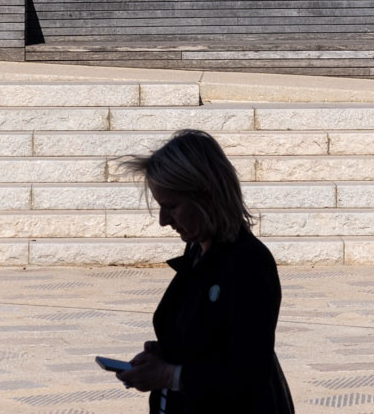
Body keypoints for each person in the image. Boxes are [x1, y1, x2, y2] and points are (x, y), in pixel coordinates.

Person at [113, 129, 293, 414]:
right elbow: (207, 342)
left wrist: (168, 375)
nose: (163, 220)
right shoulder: (198, 251)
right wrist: (166, 355)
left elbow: (247, 376)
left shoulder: (248, 263)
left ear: (206, 196)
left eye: (171, 206)